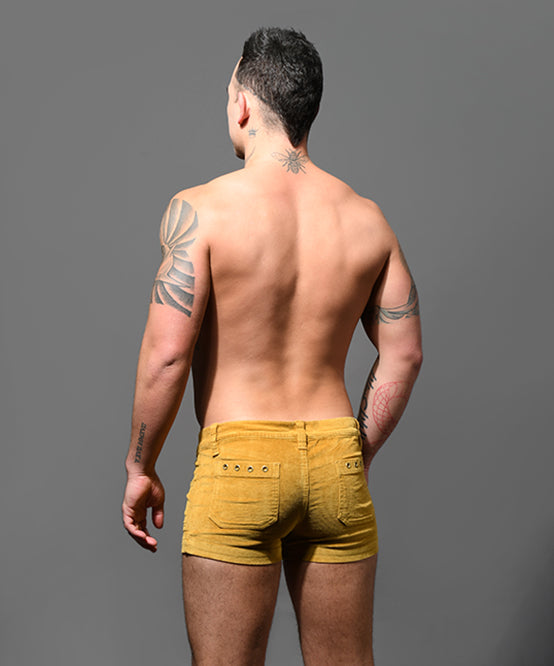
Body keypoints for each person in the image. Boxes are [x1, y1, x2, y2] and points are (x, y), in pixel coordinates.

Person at [122, 27, 422, 665]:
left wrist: (140, 467)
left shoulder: (202, 210)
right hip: (336, 458)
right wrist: (354, 453)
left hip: (239, 462)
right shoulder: (368, 220)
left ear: (243, 105)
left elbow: (168, 356)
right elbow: (405, 352)